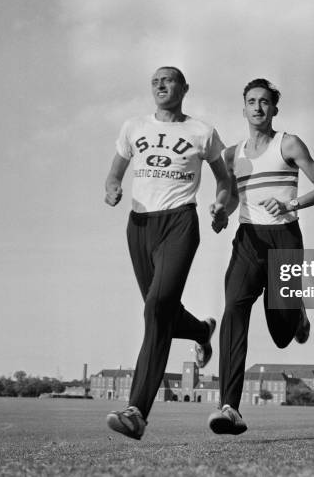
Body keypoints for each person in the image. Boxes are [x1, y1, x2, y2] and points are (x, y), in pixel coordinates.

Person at [105, 66, 230, 440]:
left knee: (156, 307)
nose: (160, 85)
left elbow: (225, 179)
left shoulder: (202, 132)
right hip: (140, 226)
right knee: (159, 308)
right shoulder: (133, 127)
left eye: (168, 80)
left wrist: (221, 205)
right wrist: (111, 188)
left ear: (184, 88)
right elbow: (114, 174)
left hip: (179, 223)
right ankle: (199, 329)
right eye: (155, 81)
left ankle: (136, 412)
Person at [208, 78, 314, 435]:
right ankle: (229, 407)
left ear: (274, 108)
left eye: (265, 102)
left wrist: (290, 203)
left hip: (284, 239)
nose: (258, 107)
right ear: (243, 108)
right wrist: (221, 213)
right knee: (233, 310)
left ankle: (297, 314)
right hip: (247, 239)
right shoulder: (232, 155)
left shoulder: (288, 144)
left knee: (281, 333)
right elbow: (231, 199)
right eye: (251, 101)